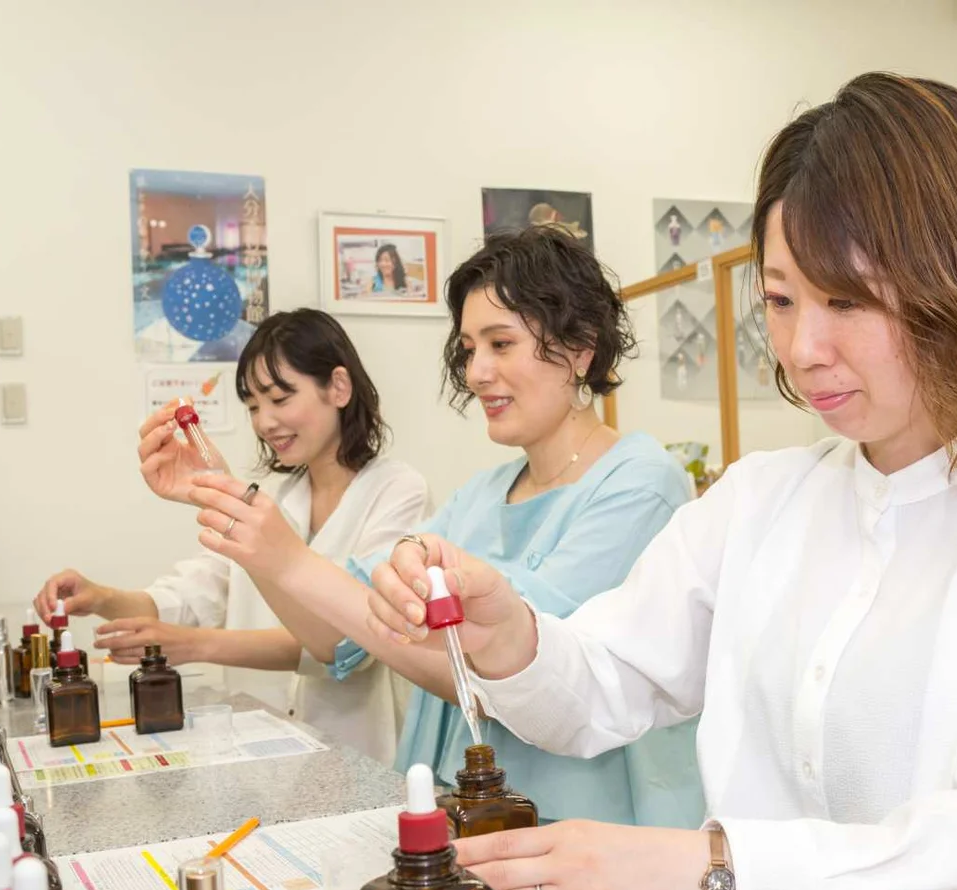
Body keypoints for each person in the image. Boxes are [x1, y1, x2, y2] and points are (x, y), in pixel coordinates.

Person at [363, 74, 957, 890]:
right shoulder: (765, 497)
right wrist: (510, 636)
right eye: (779, 300)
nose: (803, 347)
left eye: (846, 301)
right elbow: (611, 678)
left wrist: (717, 873)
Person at [184, 226, 705, 829]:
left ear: (581, 348)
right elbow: (337, 641)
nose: (477, 370)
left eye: (500, 343)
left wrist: (289, 561)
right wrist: (239, 515)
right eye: (468, 347)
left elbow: (516, 681)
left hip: (574, 824)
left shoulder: (640, 484)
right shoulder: (480, 495)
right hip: (456, 806)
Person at [36, 309, 428, 764]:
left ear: (338, 387)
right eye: (253, 406)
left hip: (358, 753)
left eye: (280, 399)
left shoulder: (398, 492)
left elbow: (346, 645)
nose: (264, 422)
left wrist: (194, 643)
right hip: (264, 748)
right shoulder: (277, 499)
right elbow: (189, 597)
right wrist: (100, 597)